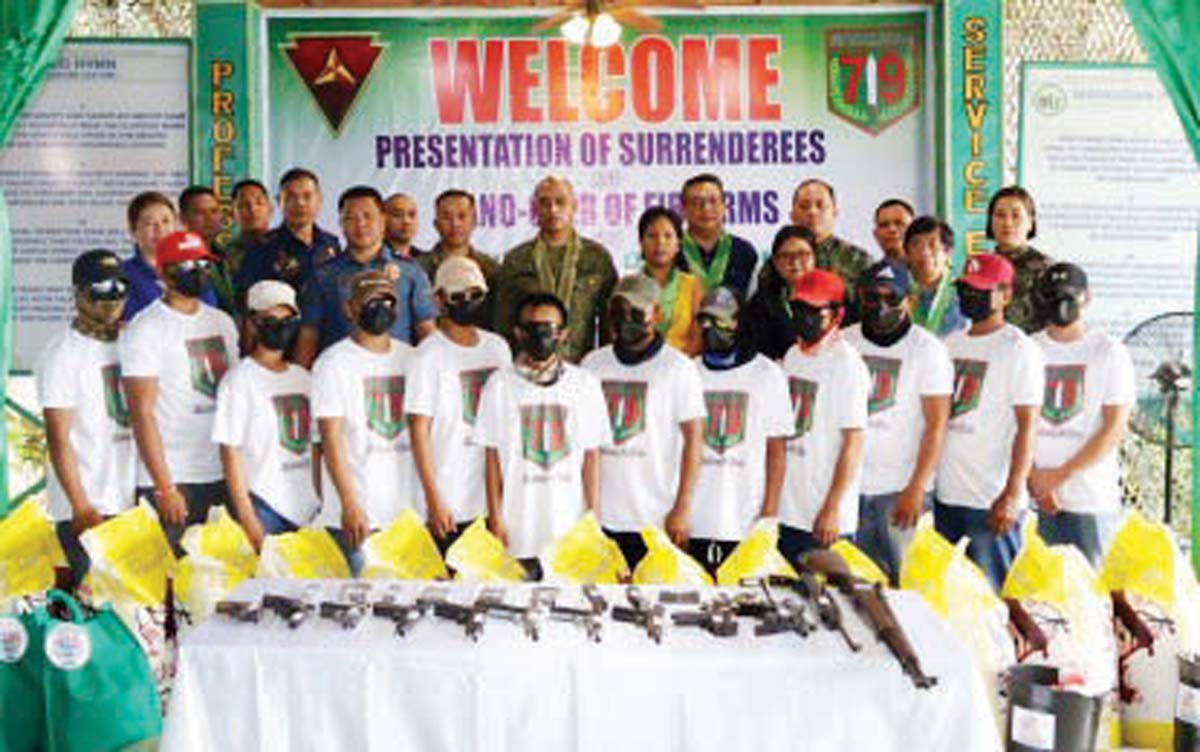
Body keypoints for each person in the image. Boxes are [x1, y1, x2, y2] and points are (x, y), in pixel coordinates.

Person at [474, 292, 610, 577]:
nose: (541, 337)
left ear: (563, 334)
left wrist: (593, 517)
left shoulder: (584, 384)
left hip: (568, 528)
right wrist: (495, 518)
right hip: (518, 527)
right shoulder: (498, 386)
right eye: (532, 329)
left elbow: (592, 457)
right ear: (518, 333)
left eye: (548, 329)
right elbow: (491, 459)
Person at [120, 231, 239, 552]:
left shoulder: (222, 323)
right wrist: (164, 486)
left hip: (220, 471)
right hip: (174, 478)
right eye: (186, 266)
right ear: (162, 272)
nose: (198, 271)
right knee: (171, 586)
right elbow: (141, 412)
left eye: (202, 263)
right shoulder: (146, 329)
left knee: (219, 579)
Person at [581, 275, 706, 569]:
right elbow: (585, 446)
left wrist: (683, 507)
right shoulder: (592, 365)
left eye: (637, 312)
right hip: (602, 517)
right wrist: (587, 512)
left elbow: (694, 440)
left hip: (656, 517)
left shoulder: (679, 368)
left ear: (657, 315)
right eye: (619, 312)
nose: (626, 321)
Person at [935, 253, 1044, 589]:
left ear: (1006, 295)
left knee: (991, 603)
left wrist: (1012, 493)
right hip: (946, 497)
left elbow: (1028, 425)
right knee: (947, 600)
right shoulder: (948, 345)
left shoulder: (1018, 349)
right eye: (966, 288)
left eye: (982, 289)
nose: (971, 296)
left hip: (991, 502)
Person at [842, 259, 953, 582]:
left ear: (909, 300)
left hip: (901, 491)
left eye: (892, 298)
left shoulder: (928, 350)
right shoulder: (845, 343)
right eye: (872, 297)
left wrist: (916, 487)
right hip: (850, 490)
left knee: (909, 584)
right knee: (854, 586)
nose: (881, 306)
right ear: (860, 298)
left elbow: (936, 424)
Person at [36, 250, 136, 585]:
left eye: (119, 285)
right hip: (89, 505)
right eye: (100, 287)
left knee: (138, 612)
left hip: (128, 501)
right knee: (98, 613)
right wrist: (81, 507)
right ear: (79, 293)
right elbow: (58, 438)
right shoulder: (63, 353)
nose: (111, 296)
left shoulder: (130, 341)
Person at [310, 270, 419, 574]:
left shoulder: (413, 358)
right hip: (361, 514)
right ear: (350, 309)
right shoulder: (332, 364)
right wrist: (349, 503)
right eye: (370, 301)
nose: (380, 308)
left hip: (406, 513)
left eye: (387, 301)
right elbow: (329, 439)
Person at [1029, 263, 1134, 566]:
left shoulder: (1109, 351)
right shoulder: (1027, 348)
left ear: (1087, 298)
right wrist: (1033, 479)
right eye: (1052, 295)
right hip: (1035, 501)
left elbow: (1114, 427)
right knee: (1039, 601)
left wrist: (1057, 477)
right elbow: (1013, 423)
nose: (1060, 302)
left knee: (1092, 599)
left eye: (1069, 295)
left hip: (1091, 501)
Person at [407, 257, 512, 552]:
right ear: (439, 300)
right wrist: (433, 499)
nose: (467, 301)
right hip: (448, 501)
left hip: (491, 500)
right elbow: (418, 432)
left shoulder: (498, 348)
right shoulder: (426, 356)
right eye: (458, 296)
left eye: (475, 294)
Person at [688, 286, 790, 577]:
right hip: (695, 516)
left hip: (745, 515)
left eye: (721, 320)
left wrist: (769, 512)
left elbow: (776, 450)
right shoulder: (689, 372)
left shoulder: (767, 374)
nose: (710, 328)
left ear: (740, 322)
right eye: (704, 320)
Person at [212, 280, 320, 551]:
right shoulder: (238, 380)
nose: (280, 326)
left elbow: (318, 447)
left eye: (287, 319)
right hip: (266, 506)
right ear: (252, 322)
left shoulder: (304, 378)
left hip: (309, 508)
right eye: (270, 319)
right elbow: (230, 453)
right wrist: (248, 518)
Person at [778, 269, 870, 565]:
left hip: (825, 517)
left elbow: (853, 443)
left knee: (827, 604)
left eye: (814, 310)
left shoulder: (847, 365)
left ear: (836, 314)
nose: (804, 316)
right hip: (788, 508)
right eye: (798, 308)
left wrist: (833, 507)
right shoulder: (792, 356)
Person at [295, 186, 436, 367]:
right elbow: (308, 335)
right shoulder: (323, 275)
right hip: (342, 378)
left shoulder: (410, 272)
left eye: (368, 216)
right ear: (341, 224)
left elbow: (427, 332)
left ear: (383, 221)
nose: (360, 224)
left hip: (397, 378)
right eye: (351, 218)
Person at [496, 176, 617, 362]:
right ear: (535, 209)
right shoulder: (516, 259)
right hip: (529, 367)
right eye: (545, 203)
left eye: (560, 202)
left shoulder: (597, 258)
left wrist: (605, 365)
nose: (553, 209)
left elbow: (609, 323)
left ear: (574, 206)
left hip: (581, 368)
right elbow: (503, 323)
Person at [235, 167, 340, 296]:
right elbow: (246, 297)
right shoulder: (262, 247)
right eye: (291, 197)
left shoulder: (330, 244)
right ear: (279, 201)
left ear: (319, 200)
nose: (300, 203)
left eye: (307, 196)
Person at [121, 191, 218, 321]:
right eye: (149, 223)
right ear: (133, 231)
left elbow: (209, 310)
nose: (160, 229)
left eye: (166, 221)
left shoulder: (194, 268)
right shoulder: (123, 275)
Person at [417, 190, 501, 329]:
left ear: (474, 221)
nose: (455, 224)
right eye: (446, 217)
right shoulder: (418, 269)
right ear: (436, 224)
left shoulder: (491, 269)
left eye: (462, 216)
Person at [677, 173, 758, 298]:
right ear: (684, 209)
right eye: (697, 202)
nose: (706, 208)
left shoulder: (744, 252)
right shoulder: (670, 251)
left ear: (724, 206)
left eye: (713, 201)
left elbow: (755, 304)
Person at [743, 225, 817, 360]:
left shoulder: (831, 298)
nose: (795, 261)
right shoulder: (761, 304)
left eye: (803, 254)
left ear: (815, 257)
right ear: (775, 262)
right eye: (786, 255)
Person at [789, 179, 873, 298]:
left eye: (820, 205)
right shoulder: (780, 261)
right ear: (792, 216)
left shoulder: (858, 259)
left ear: (835, 212)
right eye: (804, 206)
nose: (813, 212)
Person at [987, 186, 1052, 334]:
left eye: (1016, 216)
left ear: (1030, 222)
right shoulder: (983, 266)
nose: (1007, 223)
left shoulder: (1044, 268)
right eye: (1000, 215)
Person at [638, 206, 702, 354]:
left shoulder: (693, 286)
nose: (660, 242)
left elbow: (698, 337)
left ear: (678, 244)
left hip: (682, 369)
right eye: (651, 236)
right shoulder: (627, 285)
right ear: (641, 242)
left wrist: (677, 366)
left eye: (668, 236)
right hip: (639, 370)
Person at [905, 215, 968, 337]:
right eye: (916, 244)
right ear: (907, 253)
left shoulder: (965, 292)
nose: (924, 252)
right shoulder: (898, 292)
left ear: (948, 252)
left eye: (932, 244)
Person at [180, 185, 238, 316]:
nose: (209, 218)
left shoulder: (225, 254)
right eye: (200, 213)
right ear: (183, 218)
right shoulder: (179, 261)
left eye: (214, 211)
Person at [224, 178, 274, 282]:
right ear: (232, 214)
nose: (252, 209)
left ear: (270, 209)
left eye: (259, 203)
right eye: (243, 205)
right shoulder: (225, 255)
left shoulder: (285, 247)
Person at [383, 192, 426, 261]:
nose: (406, 221)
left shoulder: (424, 260)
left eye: (412, 215)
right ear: (382, 220)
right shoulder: (372, 255)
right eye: (397, 215)